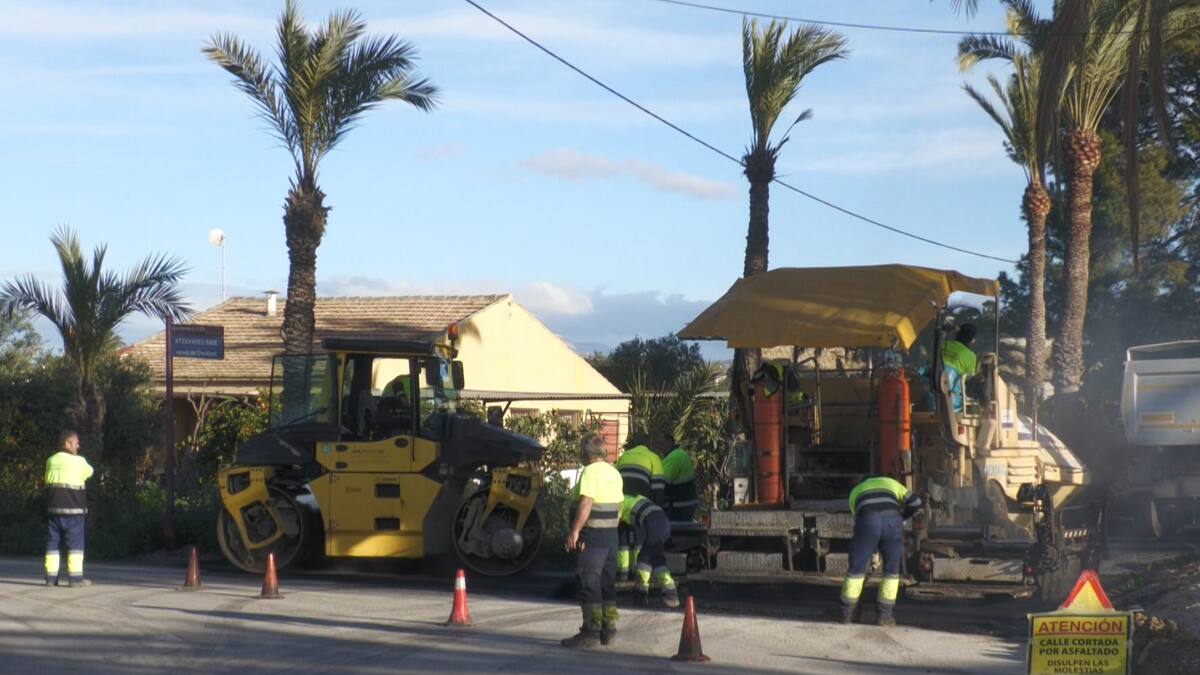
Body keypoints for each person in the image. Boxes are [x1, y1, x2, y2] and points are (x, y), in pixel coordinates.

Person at [563, 432, 624, 649]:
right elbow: (618, 510)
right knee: (607, 584)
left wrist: (575, 531)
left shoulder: (589, 472)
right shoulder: (615, 473)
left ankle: (591, 631)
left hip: (592, 537)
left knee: (589, 583)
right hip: (611, 537)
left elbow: (586, 502)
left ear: (584, 453)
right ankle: (609, 630)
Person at [839, 476, 923, 626]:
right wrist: (902, 516)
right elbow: (916, 502)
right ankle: (884, 617)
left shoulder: (855, 492)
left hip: (867, 521)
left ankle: (848, 614)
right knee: (891, 571)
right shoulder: (891, 483)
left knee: (856, 569)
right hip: (893, 522)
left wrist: (871, 551)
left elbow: (859, 521)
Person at [44, 430, 94, 588]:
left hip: (54, 512)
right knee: (75, 547)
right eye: (75, 442)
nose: (78, 446)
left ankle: (51, 579)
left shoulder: (50, 460)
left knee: (53, 545)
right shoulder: (80, 462)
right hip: (74, 512)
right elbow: (90, 472)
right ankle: (75, 580)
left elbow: (47, 481)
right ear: (66, 444)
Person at [614, 434, 666, 582]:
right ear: (648, 445)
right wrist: (657, 511)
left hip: (622, 504)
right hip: (640, 505)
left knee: (622, 540)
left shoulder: (624, 457)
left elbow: (617, 480)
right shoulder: (653, 458)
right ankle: (639, 573)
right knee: (640, 540)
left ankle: (623, 573)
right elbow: (658, 489)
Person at [620, 493, 679, 608]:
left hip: (655, 524)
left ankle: (670, 593)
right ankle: (641, 594)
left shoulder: (618, 502)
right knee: (644, 558)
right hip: (663, 524)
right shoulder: (635, 498)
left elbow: (615, 521)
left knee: (656, 559)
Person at [657, 432, 699, 522]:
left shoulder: (674, 457)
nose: (659, 448)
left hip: (681, 504)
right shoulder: (677, 454)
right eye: (659, 445)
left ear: (669, 443)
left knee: (677, 531)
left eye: (662, 444)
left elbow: (661, 481)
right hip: (685, 503)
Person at [941, 323, 978, 412]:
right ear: (972, 340)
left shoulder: (943, 345)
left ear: (957, 334)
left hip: (931, 395)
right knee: (975, 405)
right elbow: (969, 380)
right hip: (953, 400)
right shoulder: (971, 356)